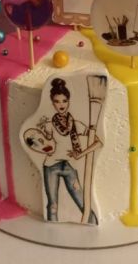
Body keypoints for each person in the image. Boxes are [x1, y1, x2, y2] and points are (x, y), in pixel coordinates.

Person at [37, 78, 102, 224]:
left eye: (64, 101)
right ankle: (51, 232)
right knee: (52, 205)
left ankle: (92, 223)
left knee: (83, 203)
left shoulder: (76, 124)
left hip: (69, 166)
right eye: (57, 101)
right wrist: (43, 139)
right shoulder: (48, 125)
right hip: (50, 166)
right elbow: (44, 145)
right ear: (52, 103)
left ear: (69, 101)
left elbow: (98, 142)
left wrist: (81, 154)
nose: (61, 105)